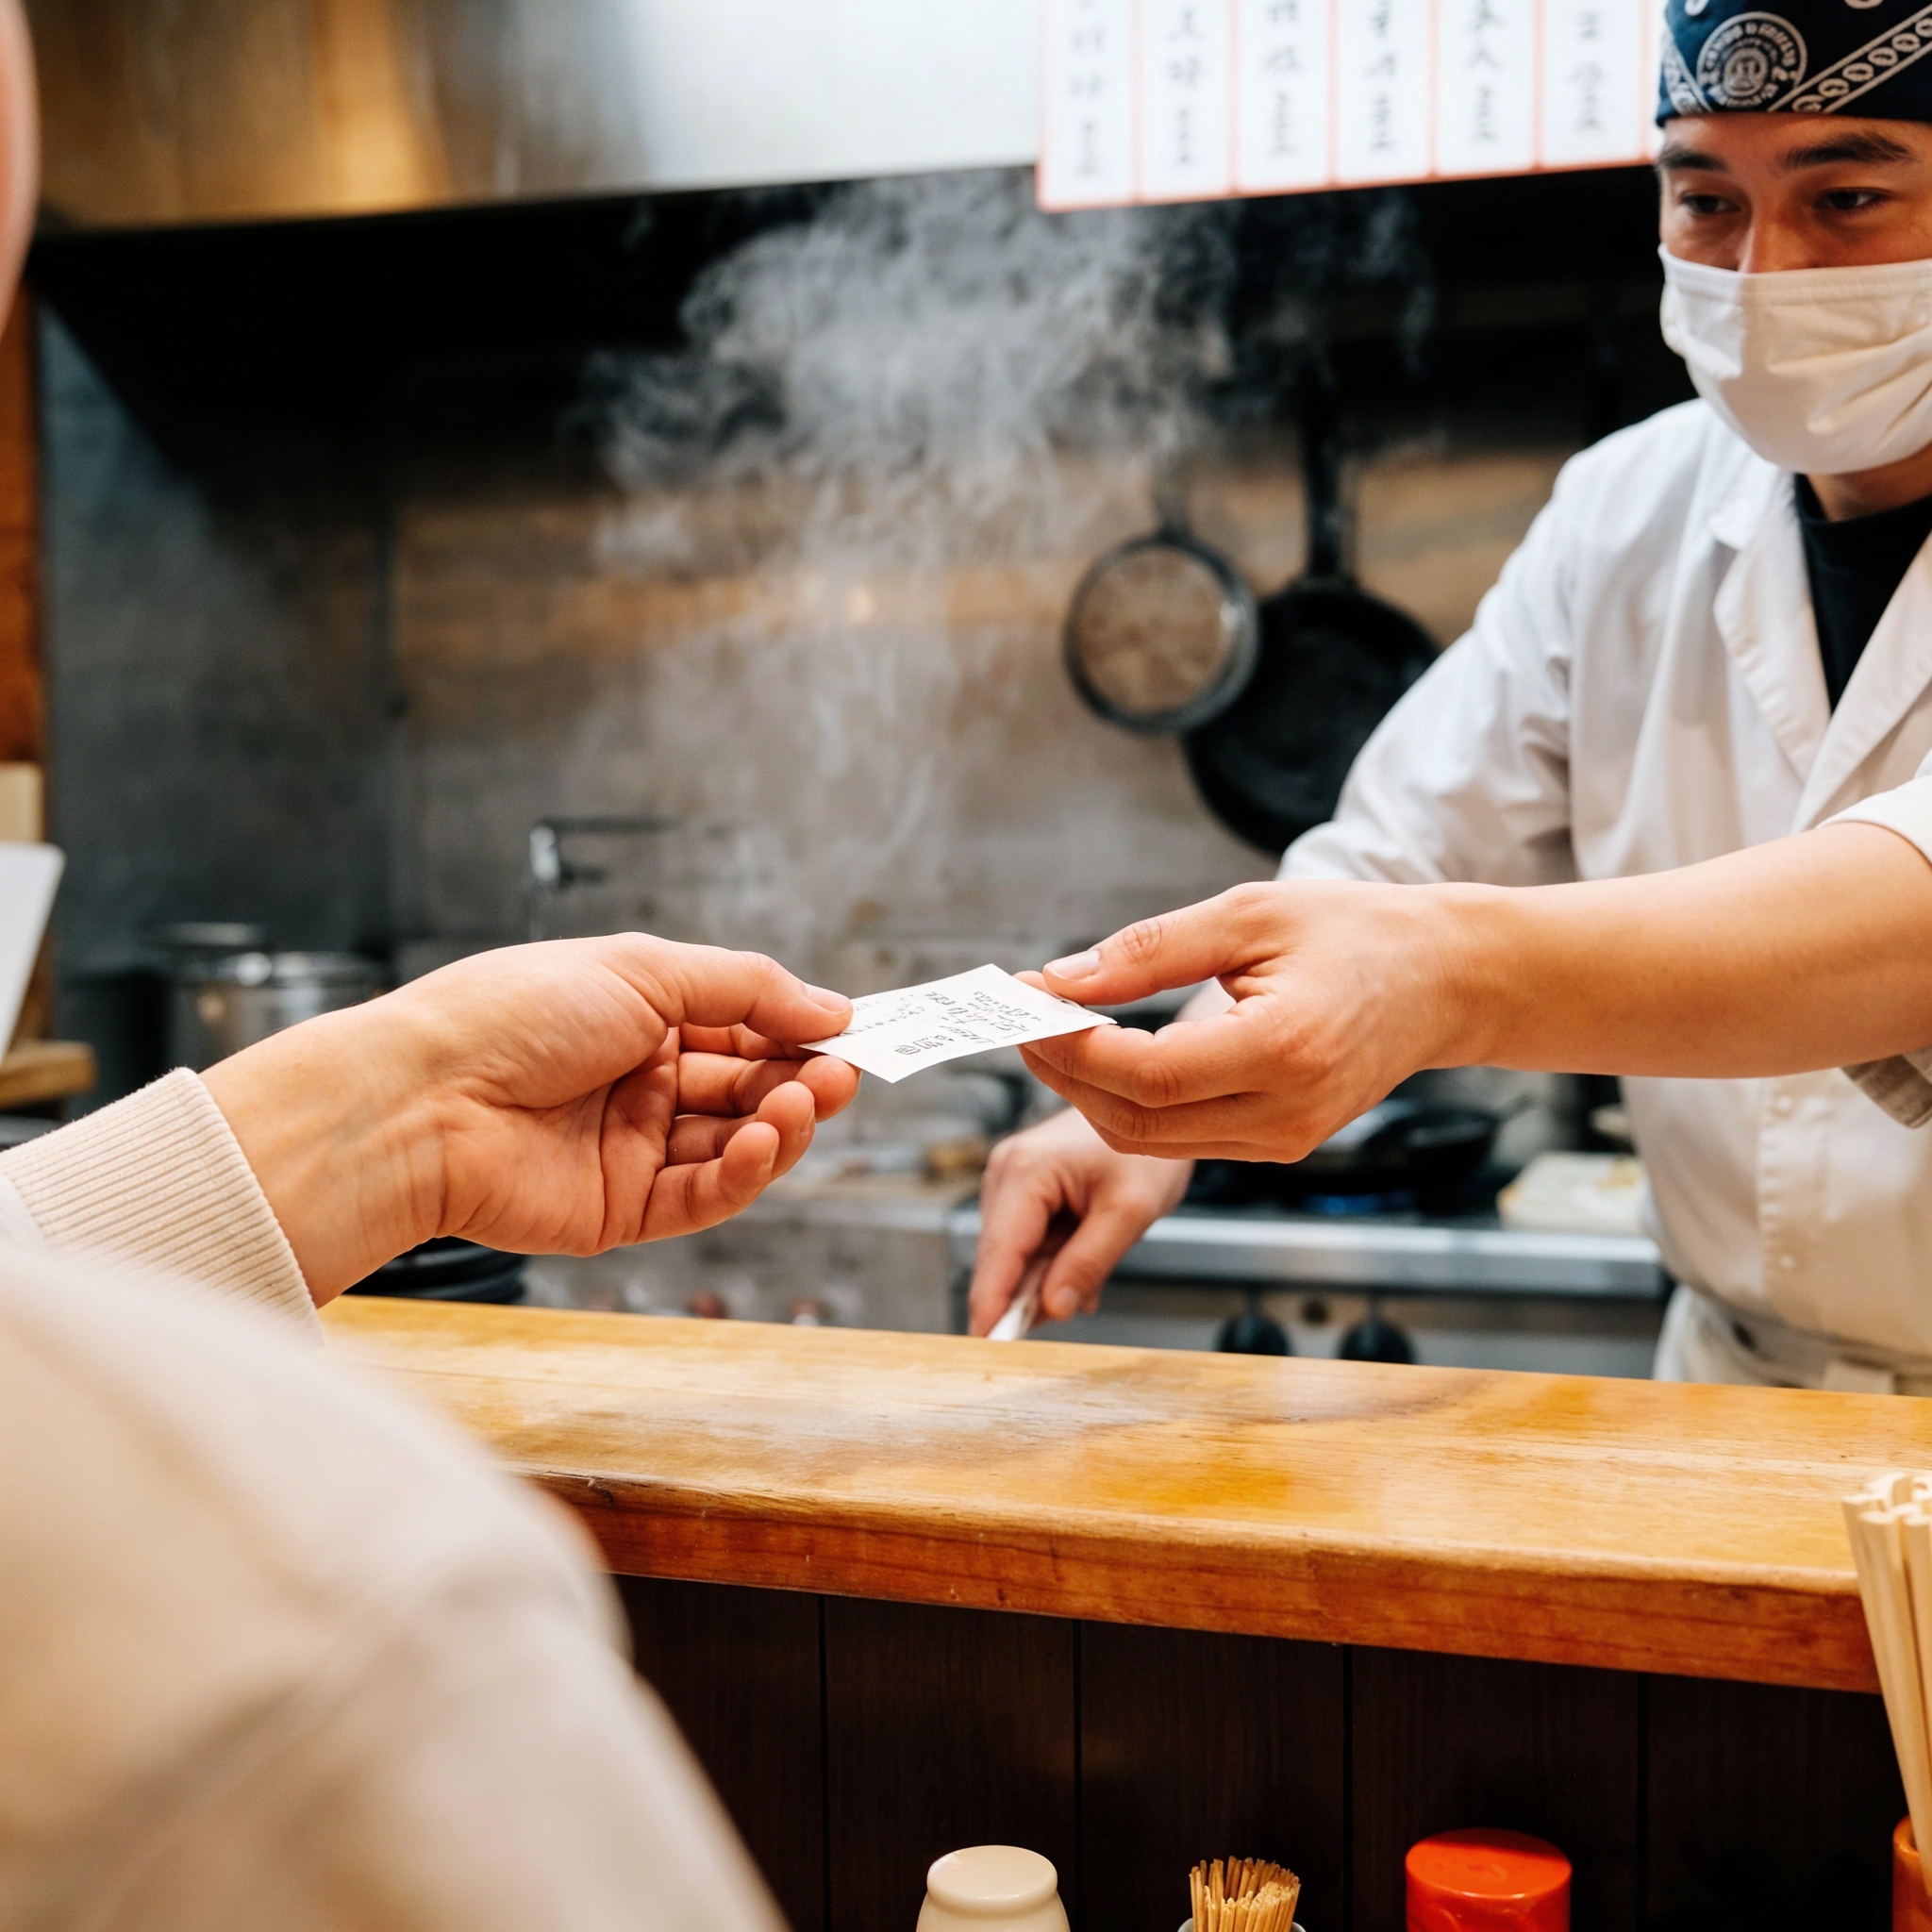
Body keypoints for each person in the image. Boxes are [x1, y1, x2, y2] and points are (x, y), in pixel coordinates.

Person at [973, 0, 1932, 1392]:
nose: (1763, 271)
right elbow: (1402, 847)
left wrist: (1437, 981)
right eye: (1705, 198)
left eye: (1846, 196)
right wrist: (1167, 1092)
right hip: (1736, 1399)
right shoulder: (1630, 507)